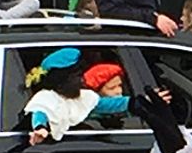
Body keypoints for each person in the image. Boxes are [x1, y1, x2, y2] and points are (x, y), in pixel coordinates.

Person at [22, 49, 157, 146]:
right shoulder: (46, 98)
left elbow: (111, 104)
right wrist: (40, 128)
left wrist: (144, 100)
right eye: (76, 77)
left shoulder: (85, 97)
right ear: (62, 80)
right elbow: (41, 112)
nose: (81, 81)